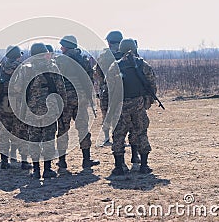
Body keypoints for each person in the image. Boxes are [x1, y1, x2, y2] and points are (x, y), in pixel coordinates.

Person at [14, 43, 67, 178]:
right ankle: (47, 169)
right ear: (44, 53)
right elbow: (61, 89)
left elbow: (17, 88)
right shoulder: (52, 66)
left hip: (32, 110)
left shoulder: (25, 69)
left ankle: (36, 170)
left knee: (34, 139)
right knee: (48, 139)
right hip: (50, 110)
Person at [108, 39, 156, 175]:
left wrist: (108, 109)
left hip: (120, 105)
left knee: (118, 135)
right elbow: (152, 85)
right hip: (138, 104)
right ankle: (144, 166)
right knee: (141, 132)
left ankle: (119, 167)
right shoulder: (143, 65)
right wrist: (147, 102)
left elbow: (108, 89)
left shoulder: (115, 66)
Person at [56, 35, 100, 169]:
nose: (61, 48)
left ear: (67, 46)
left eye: (62, 45)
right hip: (81, 97)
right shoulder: (83, 59)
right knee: (83, 128)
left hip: (65, 98)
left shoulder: (59, 60)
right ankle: (86, 159)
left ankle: (62, 161)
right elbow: (89, 79)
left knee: (63, 129)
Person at [0, 46, 32, 170]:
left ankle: (4, 161)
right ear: (18, 56)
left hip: (3, 105)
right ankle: (24, 162)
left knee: (3, 134)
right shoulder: (23, 68)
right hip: (19, 105)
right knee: (22, 134)